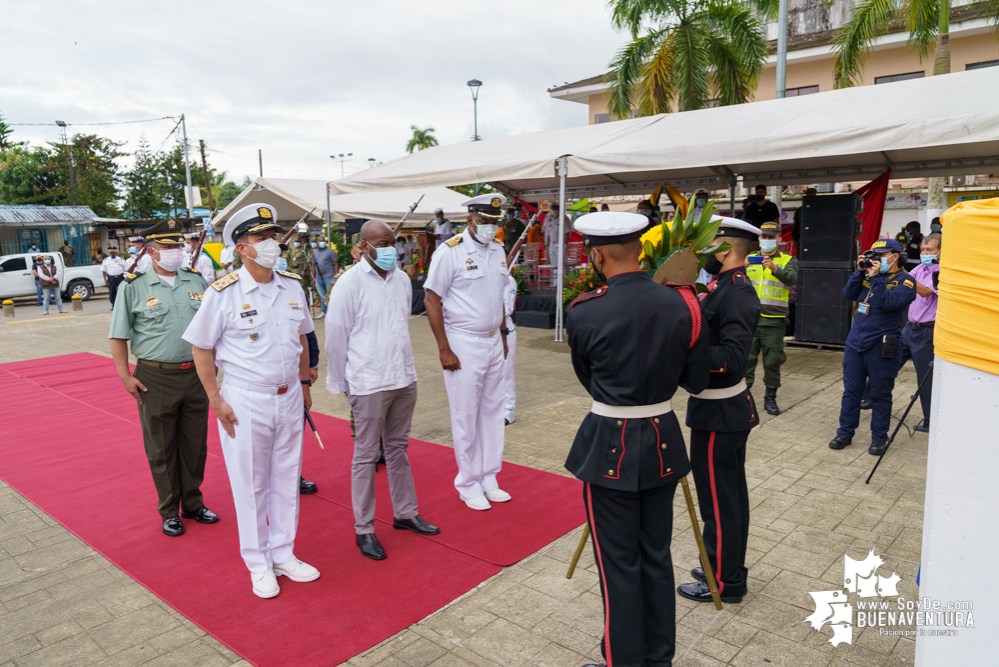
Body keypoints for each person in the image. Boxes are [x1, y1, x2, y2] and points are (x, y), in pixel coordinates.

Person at [566, 211, 709, 666]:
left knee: (617, 565)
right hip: (663, 439)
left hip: (611, 441)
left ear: (596, 255)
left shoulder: (585, 310)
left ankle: (623, 660)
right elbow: (697, 379)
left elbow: (588, 379)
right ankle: (658, 658)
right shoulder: (684, 305)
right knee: (655, 556)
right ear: (643, 250)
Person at [183, 203, 320, 599]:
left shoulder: (292, 286)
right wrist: (215, 399)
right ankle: (258, 563)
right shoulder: (223, 293)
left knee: (284, 479)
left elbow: (302, 339)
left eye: (273, 237)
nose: (272, 244)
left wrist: (305, 385)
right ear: (242, 247)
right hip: (245, 400)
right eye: (262, 238)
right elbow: (201, 350)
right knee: (251, 484)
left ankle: (284, 553)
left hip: (289, 396)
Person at [326, 220, 440, 560]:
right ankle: (364, 529)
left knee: (398, 448)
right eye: (381, 242)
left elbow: (400, 325)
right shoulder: (349, 283)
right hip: (369, 381)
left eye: (392, 241)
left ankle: (406, 512)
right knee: (365, 456)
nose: (390, 248)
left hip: (403, 376)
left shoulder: (403, 280)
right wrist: (341, 382)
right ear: (363, 246)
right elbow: (335, 337)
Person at [109, 218, 217, 536]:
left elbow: (215, 326)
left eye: (178, 246)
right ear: (152, 251)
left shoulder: (197, 281)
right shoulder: (133, 285)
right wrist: (124, 377)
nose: (176, 252)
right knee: (162, 446)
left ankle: (194, 503)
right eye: (168, 247)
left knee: (195, 443)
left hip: (197, 376)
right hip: (155, 377)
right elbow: (118, 337)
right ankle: (170, 509)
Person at [678, 216, 762, 606]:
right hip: (718, 411)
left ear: (726, 249)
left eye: (710, 246)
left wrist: (681, 349)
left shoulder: (738, 293)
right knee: (726, 498)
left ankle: (725, 582)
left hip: (721, 413)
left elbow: (731, 357)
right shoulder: (722, 287)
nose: (704, 254)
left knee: (719, 501)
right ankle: (721, 565)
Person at [424, 194, 511, 511]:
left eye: (495, 222)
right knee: (466, 415)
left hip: (492, 340)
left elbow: (499, 296)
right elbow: (432, 299)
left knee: (492, 411)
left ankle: (489, 476)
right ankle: (468, 481)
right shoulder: (451, 252)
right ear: (471, 218)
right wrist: (443, 348)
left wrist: (502, 333)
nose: (491, 228)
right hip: (463, 342)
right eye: (486, 221)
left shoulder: (498, 250)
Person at [829, 238, 917, 455]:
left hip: (882, 345)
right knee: (851, 392)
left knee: (880, 394)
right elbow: (848, 294)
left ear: (894, 256)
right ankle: (845, 432)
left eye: (881, 255)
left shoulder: (905, 280)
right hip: (856, 343)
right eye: (873, 255)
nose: (876, 259)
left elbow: (891, 303)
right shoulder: (868, 275)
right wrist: (859, 273)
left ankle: (879, 438)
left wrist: (876, 278)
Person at [744, 220, 798, 415]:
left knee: (772, 361)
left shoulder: (785, 260)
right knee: (746, 362)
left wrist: (775, 269)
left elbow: (793, 279)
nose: (766, 240)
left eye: (771, 237)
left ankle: (770, 398)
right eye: (763, 236)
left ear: (779, 239)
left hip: (773, 322)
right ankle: (744, 399)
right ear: (759, 239)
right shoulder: (748, 258)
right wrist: (740, 269)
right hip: (749, 320)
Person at [898, 232, 940, 433]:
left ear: (940, 252)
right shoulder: (920, 268)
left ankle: (929, 419)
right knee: (888, 361)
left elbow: (924, 291)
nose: (924, 253)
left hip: (926, 332)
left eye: (929, 250)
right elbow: (906, 281)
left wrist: (900, 276)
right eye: (923, 249)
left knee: (925, 377)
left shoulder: (940, 272)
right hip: (909, 328)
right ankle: (868, 398)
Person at [502, 268, 518, 425]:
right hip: (484, 333)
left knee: (506, 371)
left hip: (505, 332)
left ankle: (508, 410)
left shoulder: (508, 280)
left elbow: (507, 309)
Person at [312, 234, 339, 320]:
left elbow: (336, 264)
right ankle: (324, 312)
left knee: (330, 295)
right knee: (322, 296)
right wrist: (313, 277)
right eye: (321, 241)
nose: (322, 242)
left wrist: (336, 276)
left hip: (329, 277)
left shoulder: (330, 251)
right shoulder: (314, 253)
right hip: (318, 278)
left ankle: (333, 312)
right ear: (317, 242)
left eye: (324, 241)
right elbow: (313, 266)